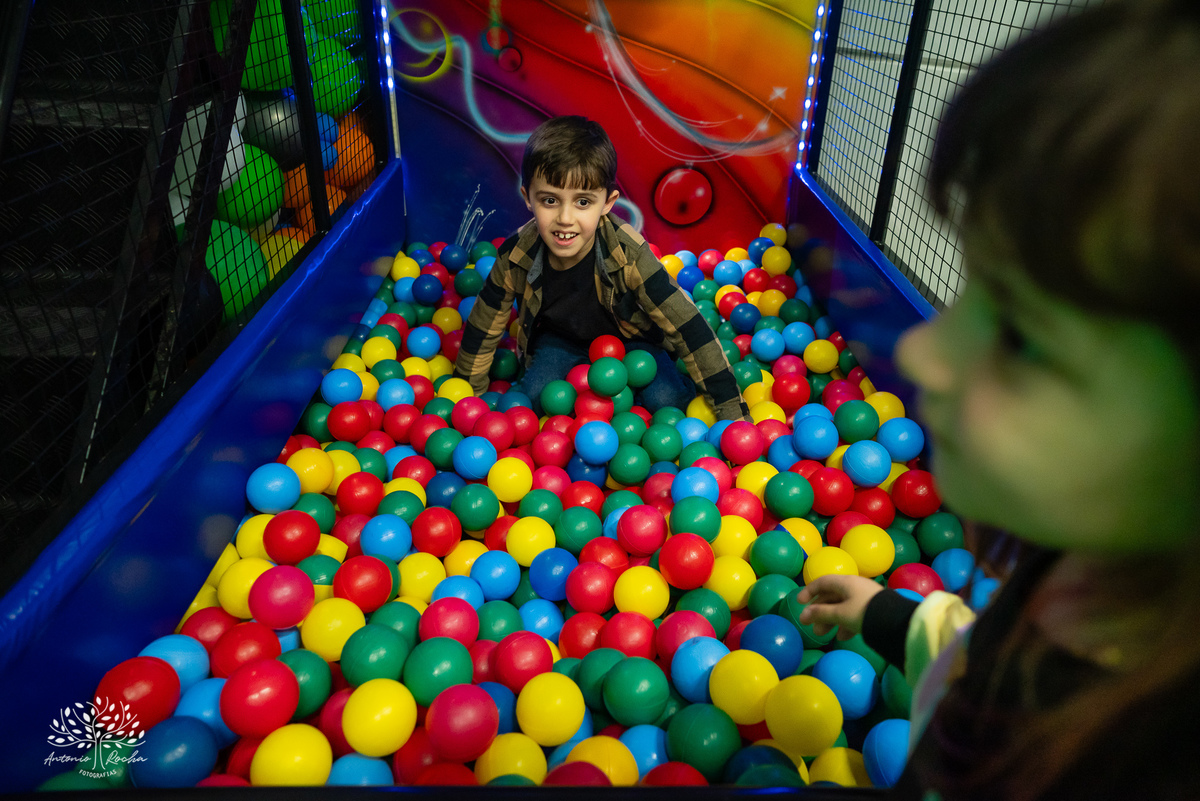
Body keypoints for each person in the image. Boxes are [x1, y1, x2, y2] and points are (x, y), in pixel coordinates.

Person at [798, 2, 1200, 799]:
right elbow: (991, 661)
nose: (918, 351)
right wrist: (895, 618)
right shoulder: (1092, 562)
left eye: (1019, 335)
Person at [453, 116, 750, 421]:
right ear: (528, 197)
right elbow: (485, 322)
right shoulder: (516, 254)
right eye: (550, 200)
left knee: (668, 402)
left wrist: (732, 413)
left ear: (608, 203)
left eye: (583, 202)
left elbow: (687, 324)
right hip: (561, 340)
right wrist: (465, 394)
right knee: (531, 399)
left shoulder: (629, 253)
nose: (565, 218)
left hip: (634, 340)